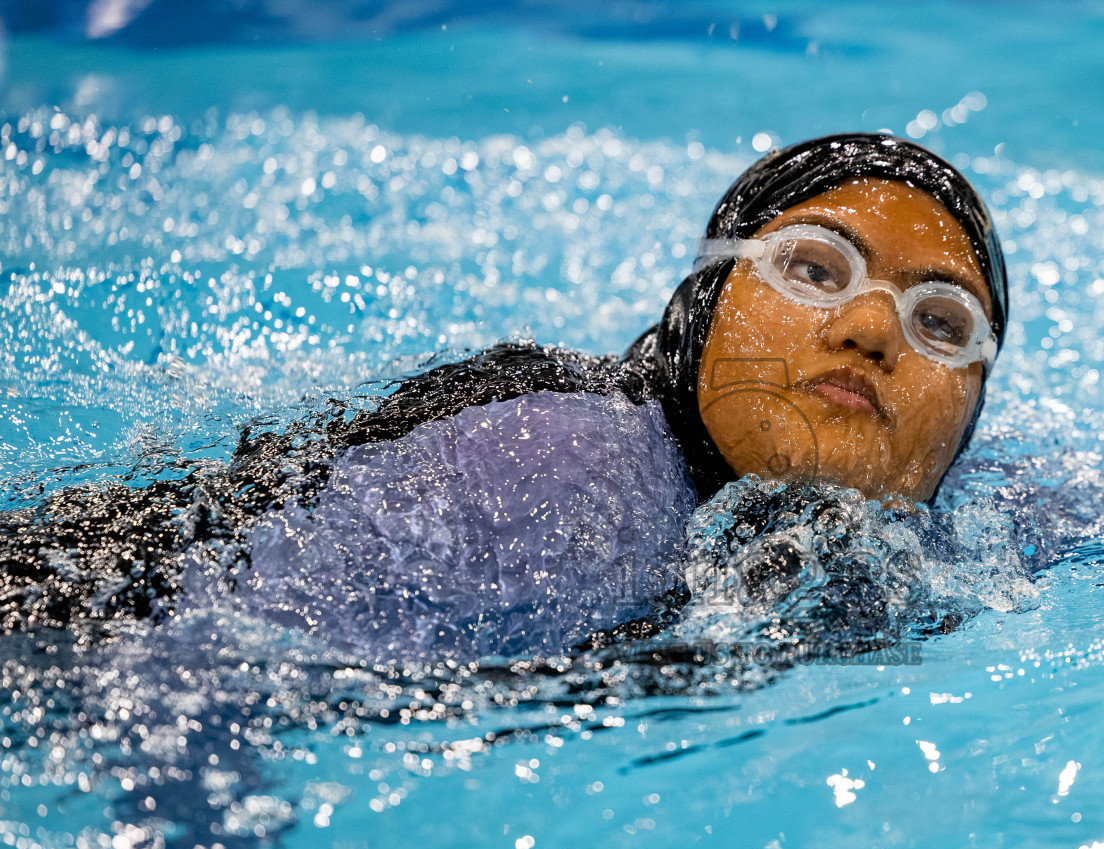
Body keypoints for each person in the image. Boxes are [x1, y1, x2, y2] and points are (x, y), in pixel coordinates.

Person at [0, 133, 1011, 659]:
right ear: (701, 307)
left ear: (967, 415)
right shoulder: (554, 478)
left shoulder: (948, 532)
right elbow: (189, 655)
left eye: (941, 322)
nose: (872, 329)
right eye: (813, 268)